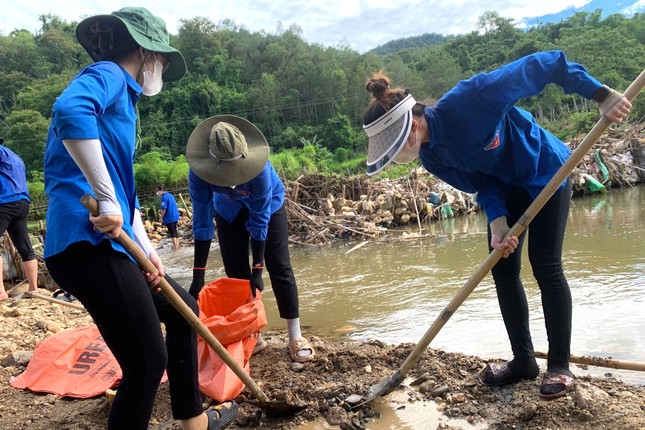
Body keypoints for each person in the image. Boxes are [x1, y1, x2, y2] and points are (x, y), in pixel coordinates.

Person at [362, 50, 631, 400]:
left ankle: (560, 366)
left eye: (395, 148)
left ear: (412, 126)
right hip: (507, 188)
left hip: (547, 171)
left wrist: (601, 94)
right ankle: (524, 362)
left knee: (546, 266)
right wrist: (498, 221)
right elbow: (480, 181)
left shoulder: (471, 99)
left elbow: (546, 64)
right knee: (502, 269)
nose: (396, 157)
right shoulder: (432, 156)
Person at [42, 7, 237, 430]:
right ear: (148, 53)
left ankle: (192, 420)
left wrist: (147, 251)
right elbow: (70, 112)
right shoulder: (108, 75)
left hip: (114, 244)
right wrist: (105, 199)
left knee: (184, 309)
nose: (162, 68)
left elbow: (124, 195)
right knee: (148, 361)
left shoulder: (124, 101)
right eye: (163, 59)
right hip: (86, 244)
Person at [186, 115, 315, 363]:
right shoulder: (199, 174)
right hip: (226, 209)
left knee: (278, 265)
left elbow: (260, 219)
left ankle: (295, 335)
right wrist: (198, 274)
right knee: (235, 273)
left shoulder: (261, 170)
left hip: (268, 206)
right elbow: (202, 222)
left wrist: (258, 267)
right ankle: (253, 335)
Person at [0, 139, 39, 300]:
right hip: (22, 202)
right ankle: (33, 288)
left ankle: (1, 292)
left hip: (5, 202)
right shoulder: (15, 156)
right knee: (25, 247)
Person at [156, 184, 181, 250]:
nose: (157, 192)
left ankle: (175, 248)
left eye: (157, 190)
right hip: (175, 216)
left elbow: (164, 208)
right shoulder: (171, 195)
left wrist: (161, 217)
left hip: (169, 218)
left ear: (160, 190)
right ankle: (178, 246)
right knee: (175, 231)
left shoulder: (164, 197)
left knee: (172, 233)